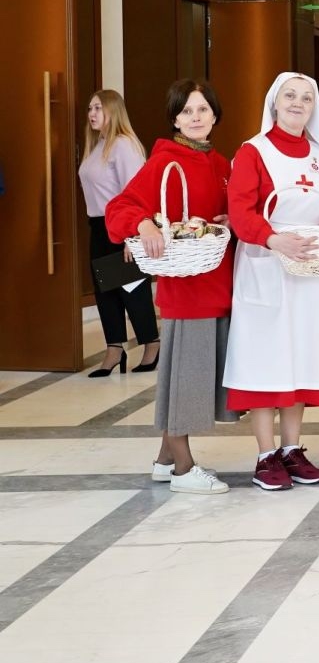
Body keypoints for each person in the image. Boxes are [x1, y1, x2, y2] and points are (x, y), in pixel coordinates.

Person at [224, 72, 319, 491]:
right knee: (266, 359)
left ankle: (291, 449)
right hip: (266, 264)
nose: (297, 103)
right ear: (274, 102)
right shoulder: (253, 151)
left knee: (301, 357)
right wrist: (274, 238)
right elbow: (240, 211)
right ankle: (265, 454)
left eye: (306, 98)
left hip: (311, 269)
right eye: (290, 95)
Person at [105, 80, 235, 494]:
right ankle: (183, 468)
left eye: (202, 109)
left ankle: (164, 459)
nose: (195, 118)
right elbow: (120, 206)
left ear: (214, 114)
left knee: (191, 376)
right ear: (175, 119)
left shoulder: (222, 163)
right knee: (187, 379)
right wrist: (142, 223)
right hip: (186, 289)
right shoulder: (164, 161)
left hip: (217, 282)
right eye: (186, 111)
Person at [78, 89, 159, 376]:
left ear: (113, 110)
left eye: (98, 108)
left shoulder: (123, 145)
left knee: (132, 288)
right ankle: (114, 349)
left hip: (121, 225)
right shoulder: (97, 145)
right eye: (90, 108)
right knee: (106, 291)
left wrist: (132, 235)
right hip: (98, 226)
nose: (92, 113)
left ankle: (151, 344)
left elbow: (136, 191)